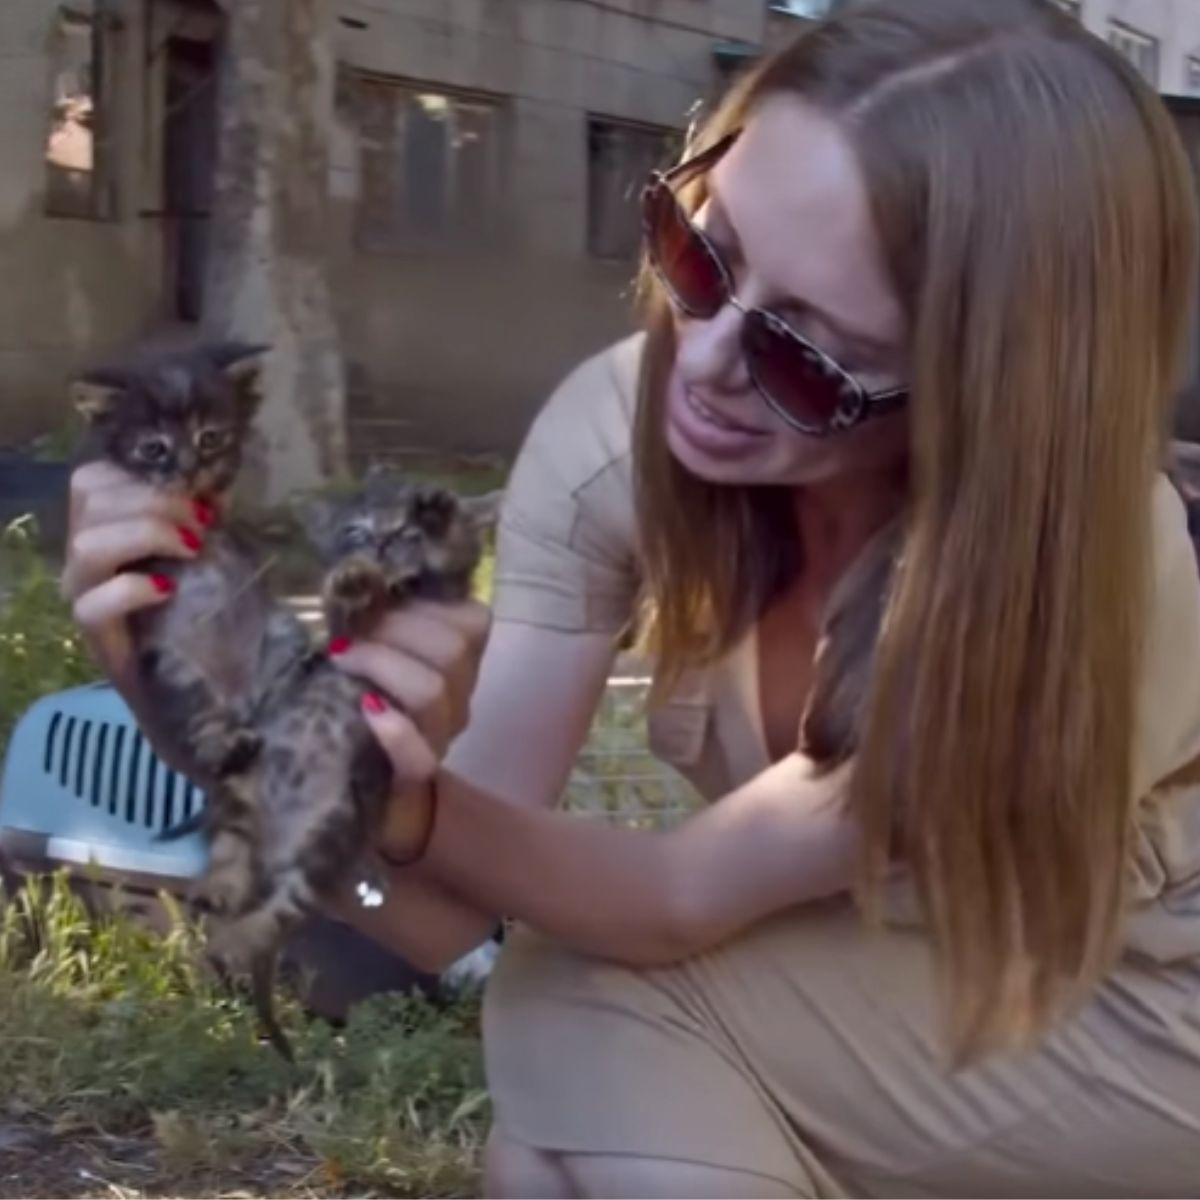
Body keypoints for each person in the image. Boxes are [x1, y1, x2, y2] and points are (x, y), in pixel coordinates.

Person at [62, 1, 1200, 1195]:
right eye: (702, 252)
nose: (701, 359)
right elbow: (467, 917)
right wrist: (233, 741)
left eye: (803, 355)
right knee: (544, 1144)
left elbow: (662, 907)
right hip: (881, 1012)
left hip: (1137, 1025)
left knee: (598, 1005)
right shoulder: (619, 434)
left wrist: (403, 807)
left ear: (979, 393)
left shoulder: (1073, 558)